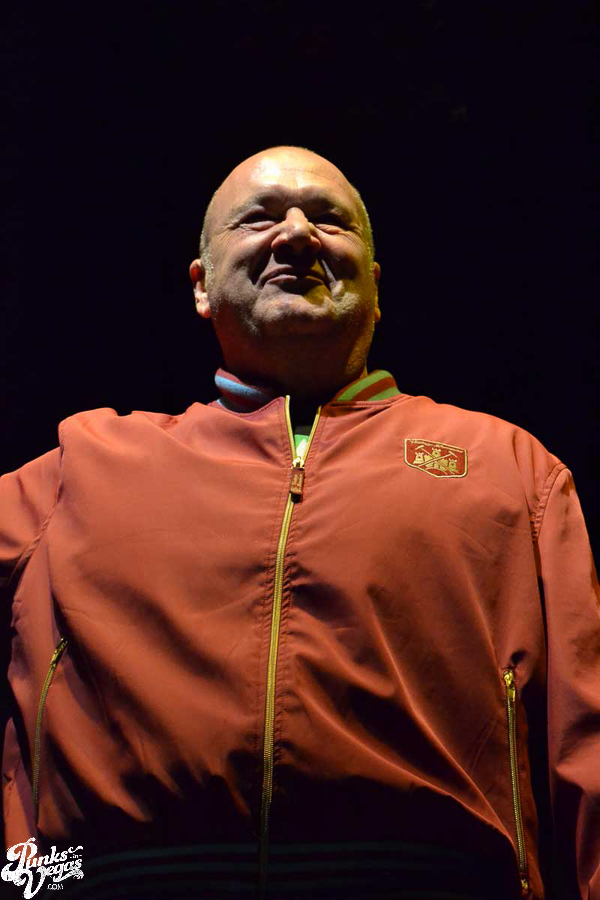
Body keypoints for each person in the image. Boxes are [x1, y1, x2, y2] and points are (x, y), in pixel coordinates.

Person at [1, 145, 598, 900]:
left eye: (328, 219)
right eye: (259, 218)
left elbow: (586, 737)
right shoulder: (76, 467)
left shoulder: (510, 467)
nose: (296, 233)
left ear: (375, 290)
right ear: (202, 285)